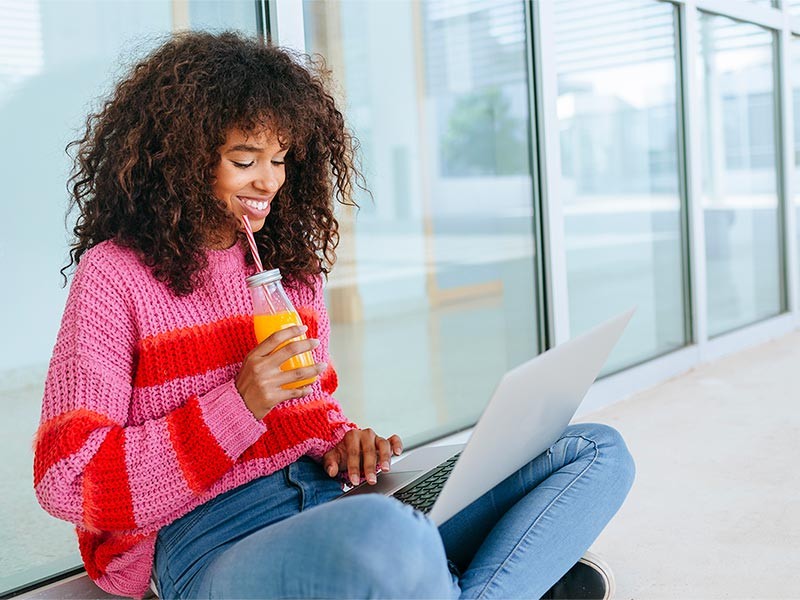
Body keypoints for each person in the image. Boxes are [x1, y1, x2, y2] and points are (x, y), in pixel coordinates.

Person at [33, 31, 635, 600]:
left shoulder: (288, 269)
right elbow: (67, 478)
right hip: (208, 540)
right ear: (181, 160)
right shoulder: (115, 277)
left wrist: (344, 442)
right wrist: (236, 405)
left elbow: (311, 414)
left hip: (330, 500)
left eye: (281, 158)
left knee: (593, 449)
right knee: (392, 533)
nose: (269, 180)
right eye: (245, 160)